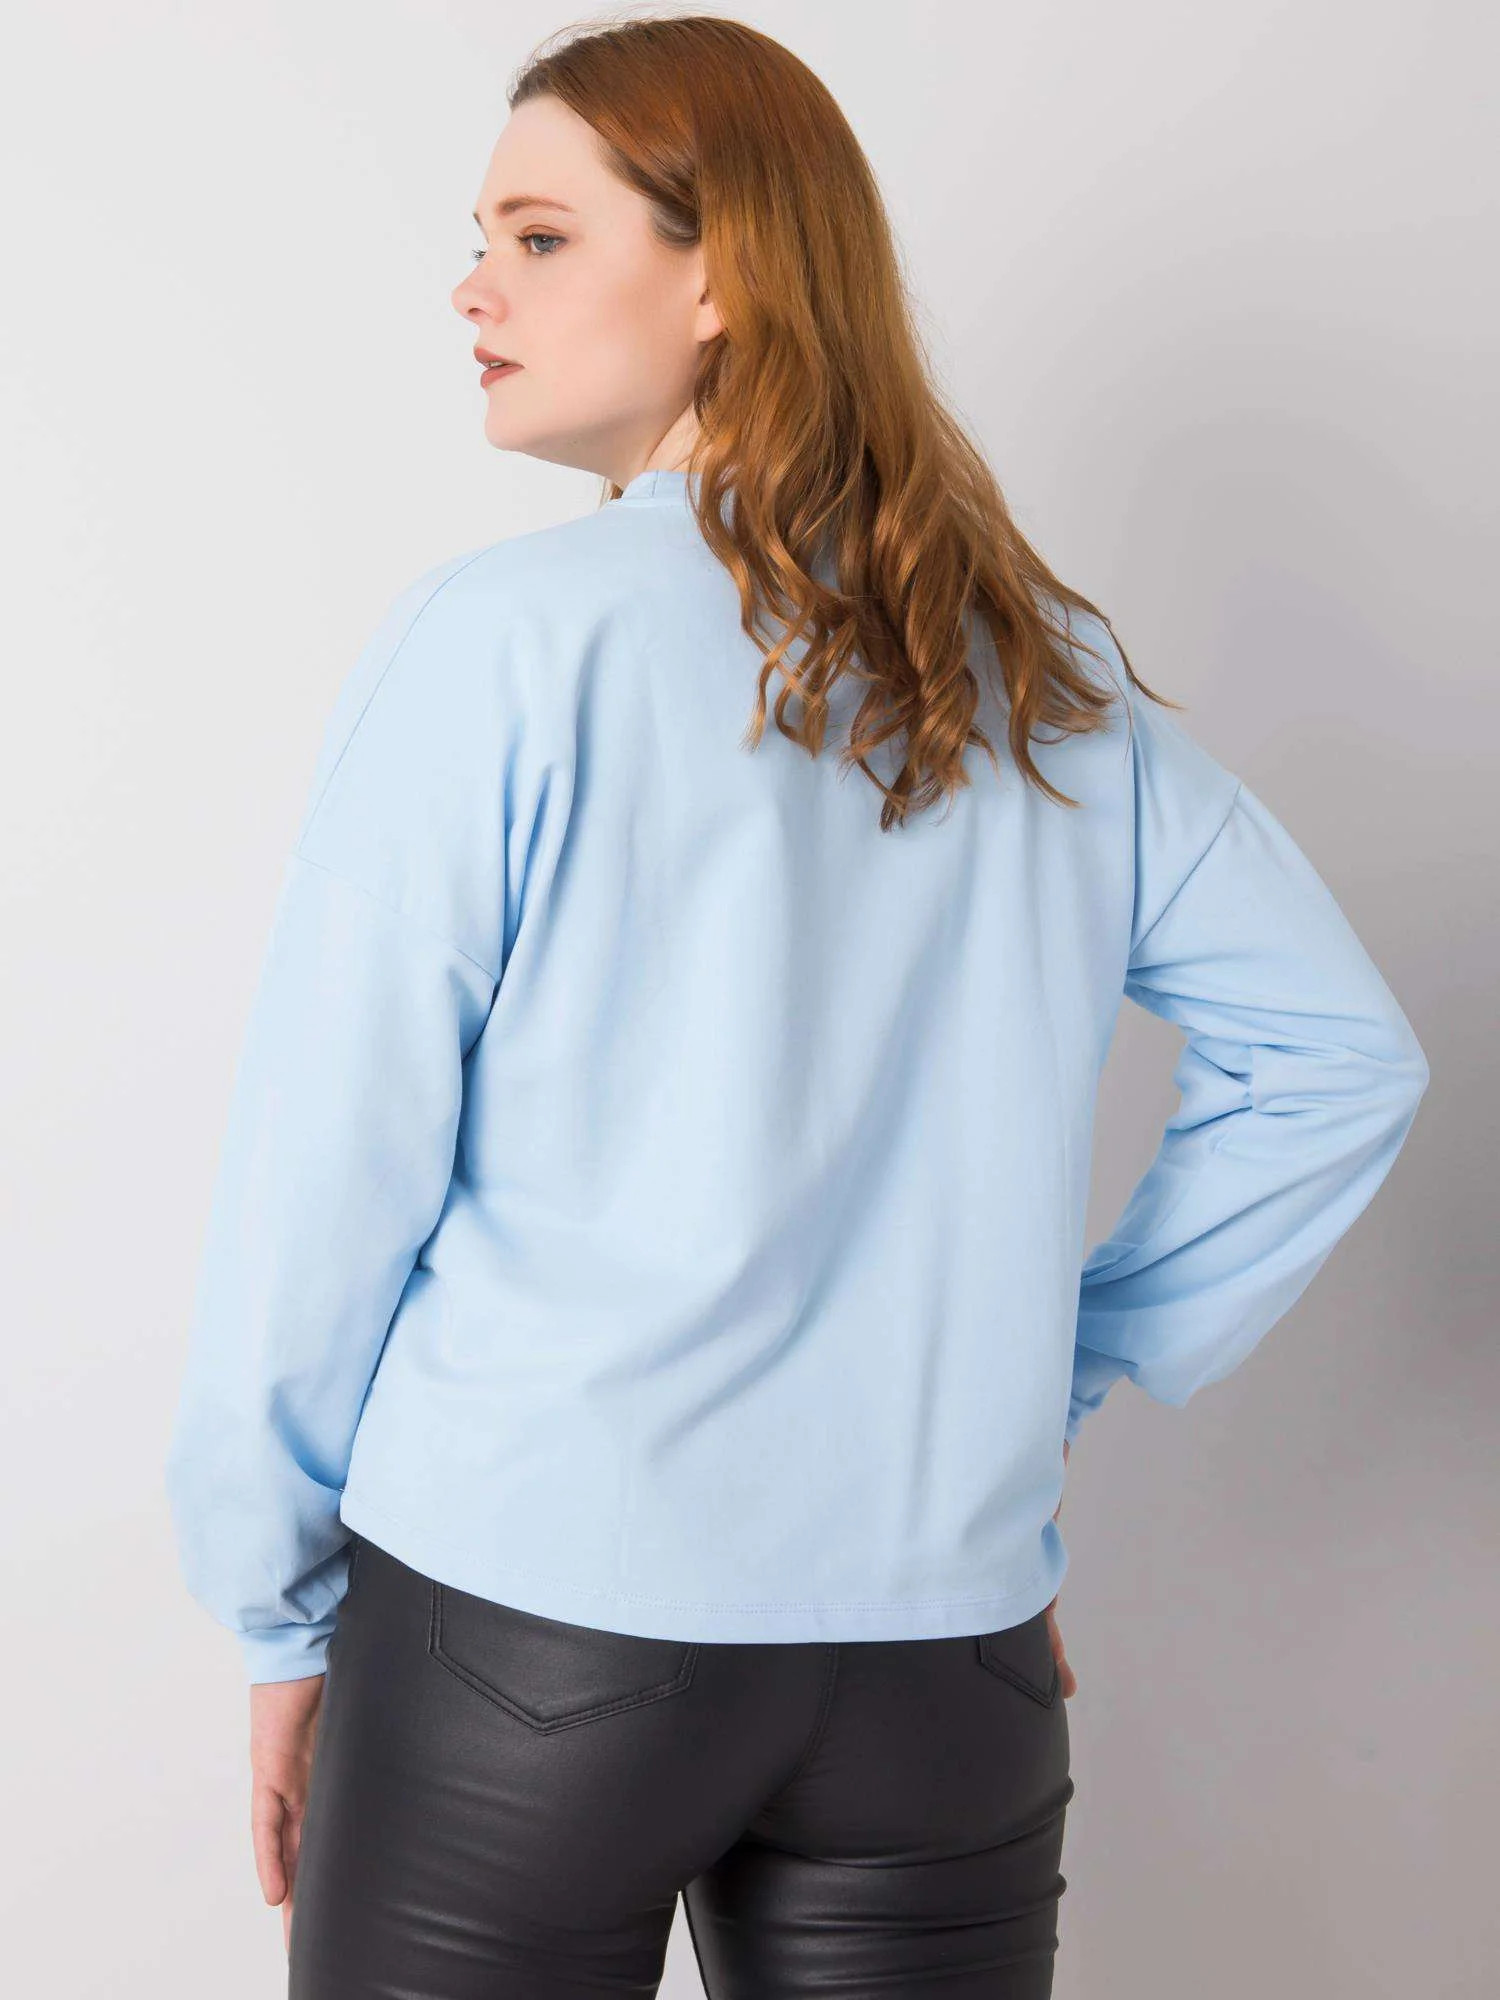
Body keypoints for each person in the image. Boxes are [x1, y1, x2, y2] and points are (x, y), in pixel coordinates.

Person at [163, 16, 1430, 1998]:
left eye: (540, 237)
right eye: (482, 241)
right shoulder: (1039, 673)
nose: (474, 288)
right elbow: (1339, 1057)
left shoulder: (502, 648)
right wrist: (1046, 1380)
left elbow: (330, 1171)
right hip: (941, 1665)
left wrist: (276, 1607)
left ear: (725, 274)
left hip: (529, 1636)